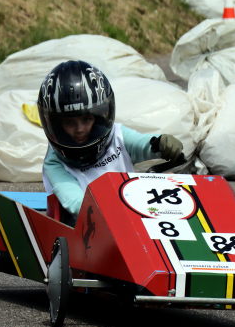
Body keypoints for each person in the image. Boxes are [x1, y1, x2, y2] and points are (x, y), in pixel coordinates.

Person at [38, 60, 184, 222]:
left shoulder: (117, 135)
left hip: (130, 215)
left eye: (86, 119)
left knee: (172, 182)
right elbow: (76, 203)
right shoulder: (54, 163)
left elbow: (143, 144)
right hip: (87, 225)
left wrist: (162, 144)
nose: (79, 129)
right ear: (57, 125)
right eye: (70, 122)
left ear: (98, 117)